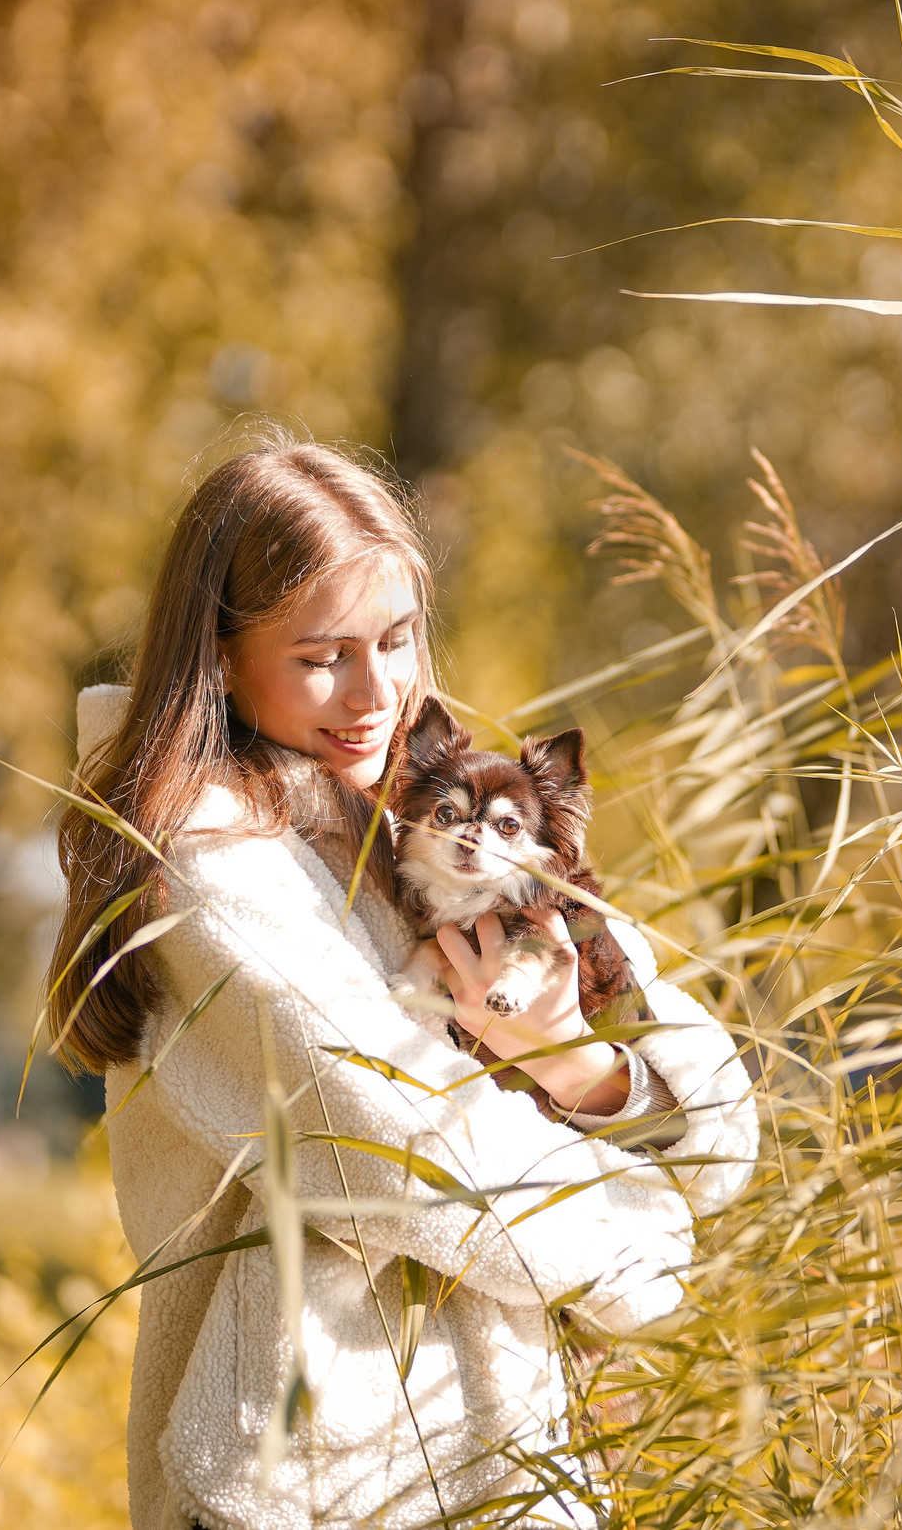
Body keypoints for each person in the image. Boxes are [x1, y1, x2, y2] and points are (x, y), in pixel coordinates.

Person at [51, 440, 759, 1530]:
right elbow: (403, 1143)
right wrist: (646, 1244)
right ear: (222, 659)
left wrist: (571, 1057)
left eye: (394, 638)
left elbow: (720, 1131)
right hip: (302, 1483)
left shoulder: (458, 811)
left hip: (501, 1462)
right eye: (322, 655)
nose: (376, 690)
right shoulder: (209, 866)